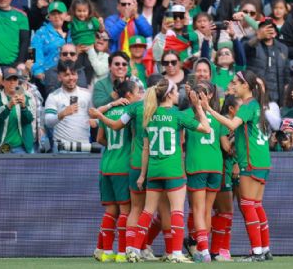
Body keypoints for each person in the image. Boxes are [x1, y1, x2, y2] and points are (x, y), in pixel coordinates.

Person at [125, 78, 211, 263]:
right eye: (175, 90)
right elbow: (206, 128)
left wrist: (142, 175)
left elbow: (145, 149)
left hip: (154, 172)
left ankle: (132, 249)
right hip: (173, 171)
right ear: (170, 94)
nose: (178, 93)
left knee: (147, 211)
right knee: (177, 211)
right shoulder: (177, 116)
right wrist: (198, 107)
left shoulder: (149, 115)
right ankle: (176, 253)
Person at [203, 71, 271, 261]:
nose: (233, 85)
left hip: (250, 161)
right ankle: (265, 249)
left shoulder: (247, 106)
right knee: (256, 205)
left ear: (246, 86)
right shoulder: (257, 105)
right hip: (263, 160)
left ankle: (256, 251)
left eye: (236, 82)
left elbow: (232, 125)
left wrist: (209, 109)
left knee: (247, 204)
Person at [90, 78, 139, 262]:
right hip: (123, 167)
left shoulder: (109, 110)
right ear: (128, 95)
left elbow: (100, 138)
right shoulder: (131, 112)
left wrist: (113, 147)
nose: (139, 96)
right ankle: (121, 252)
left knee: (111, 211)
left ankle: (106, 252)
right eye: (137, 92)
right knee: (125, 211)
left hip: (106, 165)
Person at [181, 81, 227, 262]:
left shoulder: (185, 114)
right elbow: (224, 144)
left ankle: (203, 251)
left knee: (198, 210)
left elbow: (181, 142)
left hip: (197, 166)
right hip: (215, 167)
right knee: (207, 210)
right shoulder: (218, 117)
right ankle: (203, 249)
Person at [44, 61, 93, 153]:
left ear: (77, 75)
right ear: (59, 77)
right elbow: (48, 122)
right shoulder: (53, 96)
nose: (71, 78)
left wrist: (96, 121)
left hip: (84, 148)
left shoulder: (87, 95)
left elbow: (96, 119)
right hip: (61, 149)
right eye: (66, 75)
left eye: (73, 74)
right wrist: (62, 114)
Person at [0, 68, 35, 154]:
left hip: (21, 147)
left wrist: (23, 107)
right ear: (2, 82)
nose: (12, 82)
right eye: (8, 79)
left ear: (18, 82)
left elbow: (29, 120)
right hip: (2, 147)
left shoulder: (27, 95)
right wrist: (8, 106)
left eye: (15, 79)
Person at [245, 18, 289, 104]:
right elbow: (244, 50)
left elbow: (286, 73)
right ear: (258, 30)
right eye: (264, 27)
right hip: (255, 96)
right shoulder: (251, 43)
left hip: (277, 98)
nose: (268, 30)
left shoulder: (283, 48)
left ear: (275, 32)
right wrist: (258, 37)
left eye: (271, 27)